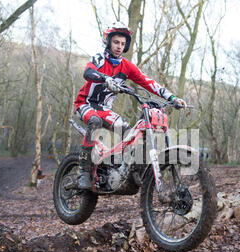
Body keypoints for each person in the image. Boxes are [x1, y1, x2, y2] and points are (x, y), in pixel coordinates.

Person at [74, 22, 187, 190]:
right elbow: (87, 72)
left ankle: (120, 168)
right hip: (86, 104)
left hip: (105, 110)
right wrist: (106, 79)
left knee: (129, 132)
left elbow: (148, 82)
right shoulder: (99, 58)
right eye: (116, 42)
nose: (119, 46)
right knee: (95, 122)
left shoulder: (126, 66)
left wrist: (171, 97)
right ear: (108, 42)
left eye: (122, 43)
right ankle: (83, 171)